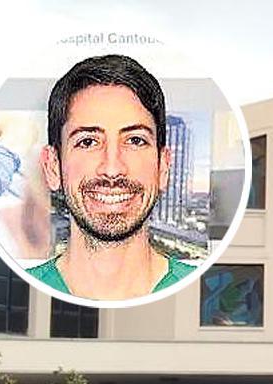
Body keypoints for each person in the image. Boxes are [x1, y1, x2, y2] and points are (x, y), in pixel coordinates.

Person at [30, 54, 194, 299]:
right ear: (53, 167)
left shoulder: (198, 290)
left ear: (163, 167)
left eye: (135, 140)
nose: (112, 169)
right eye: (88, 141)